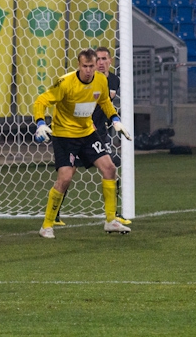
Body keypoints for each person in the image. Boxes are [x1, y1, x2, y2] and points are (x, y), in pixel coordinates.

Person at [33, 48, 133, 239]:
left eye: (91, 66)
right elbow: (41, 101)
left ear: (96, 66)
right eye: (85, 66)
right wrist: (40, 123)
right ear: (79, 65)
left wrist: (115, 119)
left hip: (87, 132)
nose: (88, 70)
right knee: (65, 179)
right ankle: (47, 225)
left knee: (110, 168)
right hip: (64, 135)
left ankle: (111, 220)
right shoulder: (65, 83)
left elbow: (104, 101)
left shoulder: (101, 80)